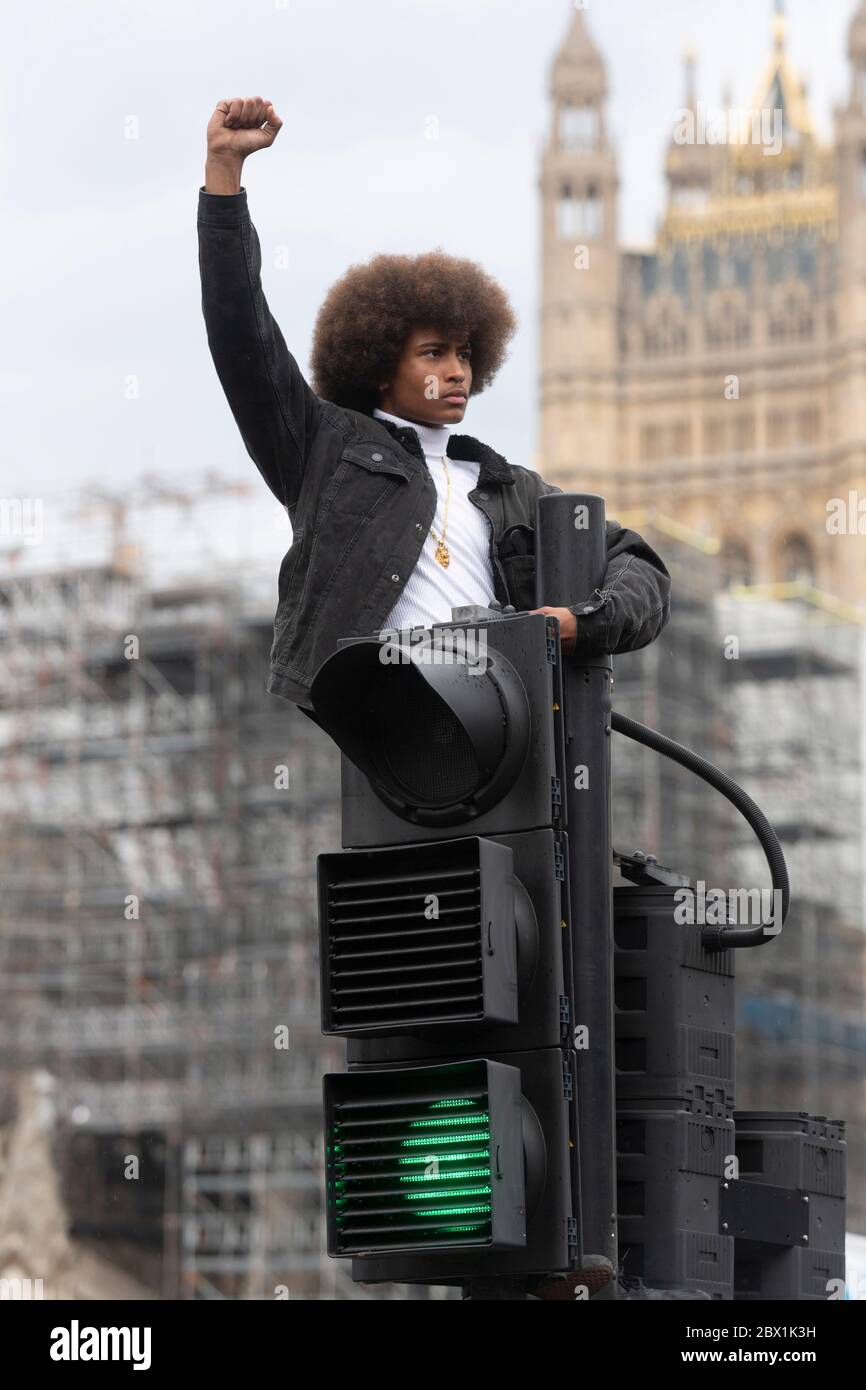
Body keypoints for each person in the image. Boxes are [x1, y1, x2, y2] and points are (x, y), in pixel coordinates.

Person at [198, 97, 672, 724]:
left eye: (466, 353)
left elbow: (641, 569)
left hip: (505, 742)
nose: (457, 371)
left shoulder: (507, 488)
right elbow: (243, 337)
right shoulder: (326, 453)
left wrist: (579, 623)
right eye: (433, 353)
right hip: (391, 739)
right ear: (378, 362)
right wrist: (224, 175)